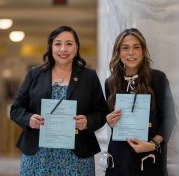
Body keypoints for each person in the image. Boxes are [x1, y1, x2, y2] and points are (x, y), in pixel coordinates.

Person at [10, 25, 108, 176]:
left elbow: (102, 111)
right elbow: (16, 109)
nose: (63, 49)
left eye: (69, 44)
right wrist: (29, 119)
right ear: (51, 47)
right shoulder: (35, 74)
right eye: (58, 44)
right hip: (38, 155)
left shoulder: (89, 76)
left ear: (76, 48)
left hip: (77, 156)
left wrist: (88, 121)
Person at [105, 28, 176, 176]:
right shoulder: (110, 82)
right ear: (118, 52)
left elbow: (169, 118)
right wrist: (110, 121)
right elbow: (115, 122)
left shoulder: (157, 78)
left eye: (136, 47)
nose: (131, 52)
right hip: (119, 159)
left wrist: (153, 144)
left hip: (149, 158)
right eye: (125, 48)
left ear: (143, 51)